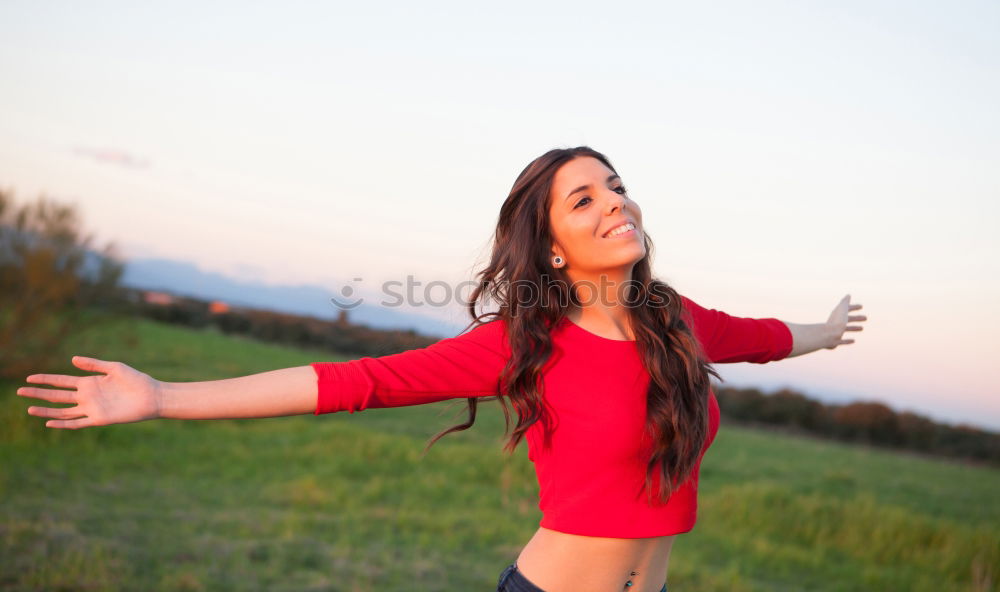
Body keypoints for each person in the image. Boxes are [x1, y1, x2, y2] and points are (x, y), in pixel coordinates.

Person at [17, 146, 866, 592]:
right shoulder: (524, 343)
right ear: (555, 247)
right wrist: (162, 396)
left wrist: (826, 331)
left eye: (616, 186)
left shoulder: (674, 323)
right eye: (585, 199)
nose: (615, 202)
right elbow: (353, 383)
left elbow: (764, 336)